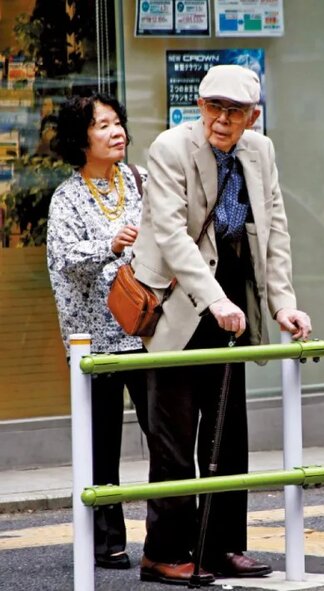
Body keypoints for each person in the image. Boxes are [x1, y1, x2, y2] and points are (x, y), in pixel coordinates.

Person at [131, 64, 312, 585]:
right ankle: (163, 552)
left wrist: (283, 304)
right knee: (174, 438)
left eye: (235, 111)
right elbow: (171, 236)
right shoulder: (170, 148)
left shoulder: (261, 150)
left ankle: (222, 546)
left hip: (230, 299)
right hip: (177, 302)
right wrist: (214, 299)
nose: (222, 119)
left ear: (253, 116)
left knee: (228, 435)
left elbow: (274, 230)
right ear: (200, 106)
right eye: (214, 107)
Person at [46, 92, 149, 570]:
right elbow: (65, 259)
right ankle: (106, 542)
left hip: (147, 332)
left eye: (117, 122)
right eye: (102, 125)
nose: (116, 131)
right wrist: (110, 245)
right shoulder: (66, 198)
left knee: (165, 436)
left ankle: (171, 536)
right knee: (101, 445)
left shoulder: (141, 180)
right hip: (95, 340)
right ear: (80, 139)